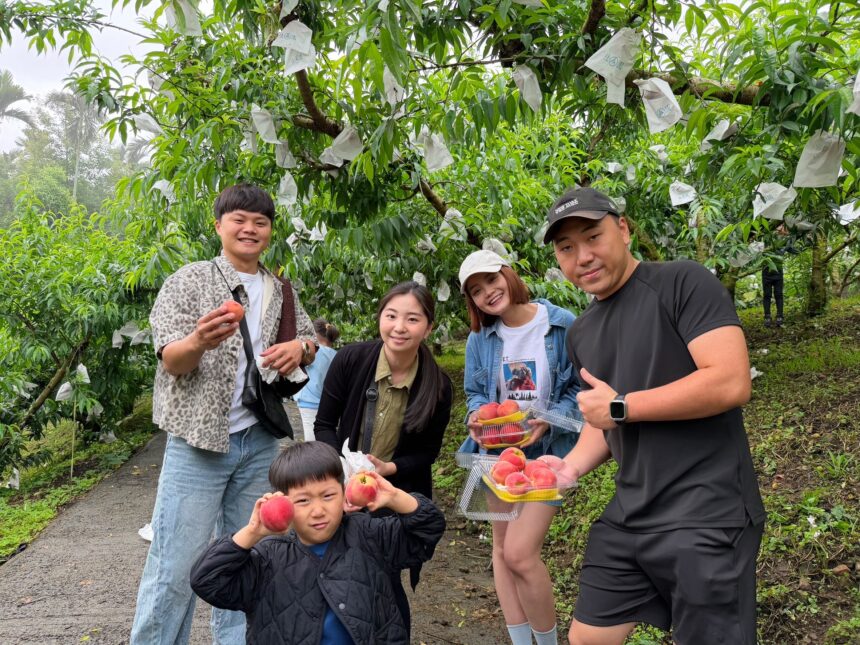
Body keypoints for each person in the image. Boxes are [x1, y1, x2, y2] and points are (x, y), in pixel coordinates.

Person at [545, 187, 766, 645]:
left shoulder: (683, 282)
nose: (582, 256)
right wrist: (568, 467)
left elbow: (729, 380)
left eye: (593, 237)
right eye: (567, 248)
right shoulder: (582, 330)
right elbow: (603, 420)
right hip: (631, 510)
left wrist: (623, 406)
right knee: (589, 636)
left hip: (706, 507)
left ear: (623, 229)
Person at [131, 184, 318, 645]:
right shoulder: (189, 280)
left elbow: (311, 341)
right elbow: (171, 360)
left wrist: (301, 347)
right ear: (219, 225)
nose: (249, 228)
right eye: (239, 219)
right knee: (174, 567)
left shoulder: (280, 289)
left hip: (258, 441)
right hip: (198, 444)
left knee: (249, 558)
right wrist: (198, 341)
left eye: (260, 222)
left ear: (270, 232)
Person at [190, 441, 446, 645]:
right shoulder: (267, 558)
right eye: (303, 501)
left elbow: (428, 529)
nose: (318, 510)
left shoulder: (370, 536)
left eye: (328, 495)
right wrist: (253, 532)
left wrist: (393, 496)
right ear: (283, 503)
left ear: (343, 493)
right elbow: (207, 580)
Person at [458, 249, 581, 645]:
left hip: (549, 454)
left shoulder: (562, 325)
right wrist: (477, 420)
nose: (487, 293)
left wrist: (549, 417)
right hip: (499, 454)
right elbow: (476, 394)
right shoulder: (480, 338)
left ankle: (546, 642)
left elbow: (582, 389)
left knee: (521, 553)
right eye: (476, 291)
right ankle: (520, 641)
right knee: (500, 548)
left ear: (508, 275)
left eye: (491, 280)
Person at [314, 280, 453, 630]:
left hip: (393, 496)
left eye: (412, 319)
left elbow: (427, 452)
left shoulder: (438, 385)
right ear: (380, 318)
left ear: (429, 326)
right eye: (391, 315)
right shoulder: (351, 360)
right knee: (334, 571)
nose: (399, 327)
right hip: (344, 489)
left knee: (384, 580)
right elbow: (325, 425)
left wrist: (389, 468)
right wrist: (341, 471)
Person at [294, 318, 340, 440]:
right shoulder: (336, 355)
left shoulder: (310, 352)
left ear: (314, 334)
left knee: (311, 441)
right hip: (328, 403)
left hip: (308, 402)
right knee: (324, 435)